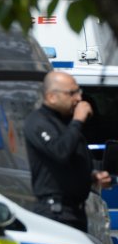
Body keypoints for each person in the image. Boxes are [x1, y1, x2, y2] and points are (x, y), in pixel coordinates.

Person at [25, 70, 111, 232]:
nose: (78, 98)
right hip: (56, 213)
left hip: (76, 211)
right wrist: (78, 120)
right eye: (72, 93)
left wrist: (93, 176)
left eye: (79, 92)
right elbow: (60, 152)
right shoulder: (39, 122)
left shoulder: (66, 124)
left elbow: (71, 161)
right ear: (51, 97)